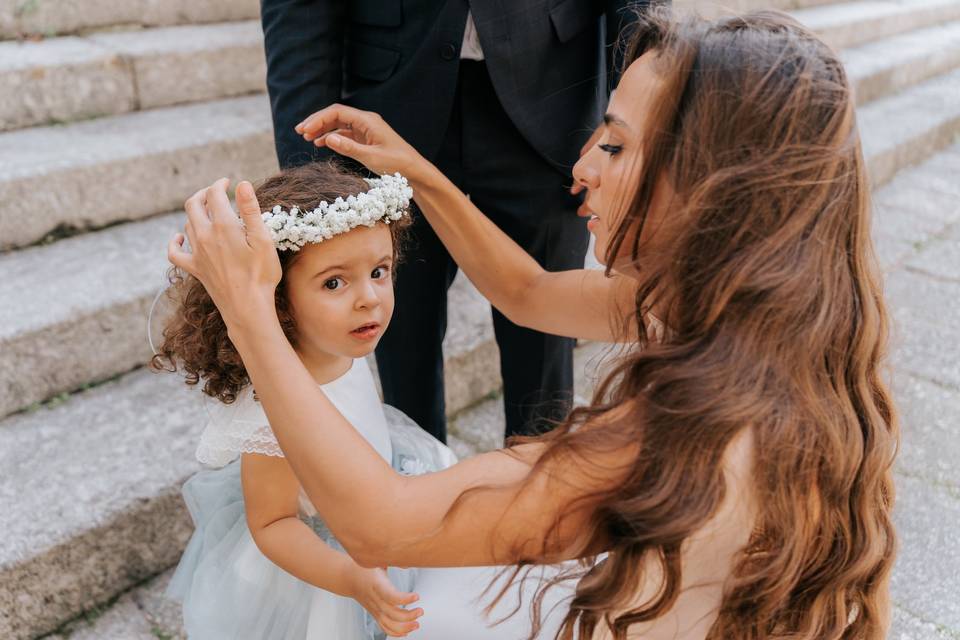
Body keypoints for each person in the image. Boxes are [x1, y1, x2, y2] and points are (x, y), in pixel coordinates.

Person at [170, 8, 898, 639]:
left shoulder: (686, 431)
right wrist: (419, 171)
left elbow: (380, 524)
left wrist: (249, 312)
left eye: (612, 144)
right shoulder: (734, 317)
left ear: (710, 186)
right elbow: (526, 290)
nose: (582, 166)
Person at [261, 0, 637, 441]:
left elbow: (532, 296)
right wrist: (313, 181)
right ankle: (416, 485)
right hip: (391, 104)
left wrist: (629, 121)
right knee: (400, 346)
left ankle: (542, 496)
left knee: (545, 356)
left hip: (554, 99)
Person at [151, 162, 452, 638]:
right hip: (327, 569)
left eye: (379, 271)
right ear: (278, 298)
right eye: (335, 282)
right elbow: (271, 523)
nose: (369, 298)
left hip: (375, 503)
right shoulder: (278, 407)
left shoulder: (341, 342)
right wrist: (348, 577)